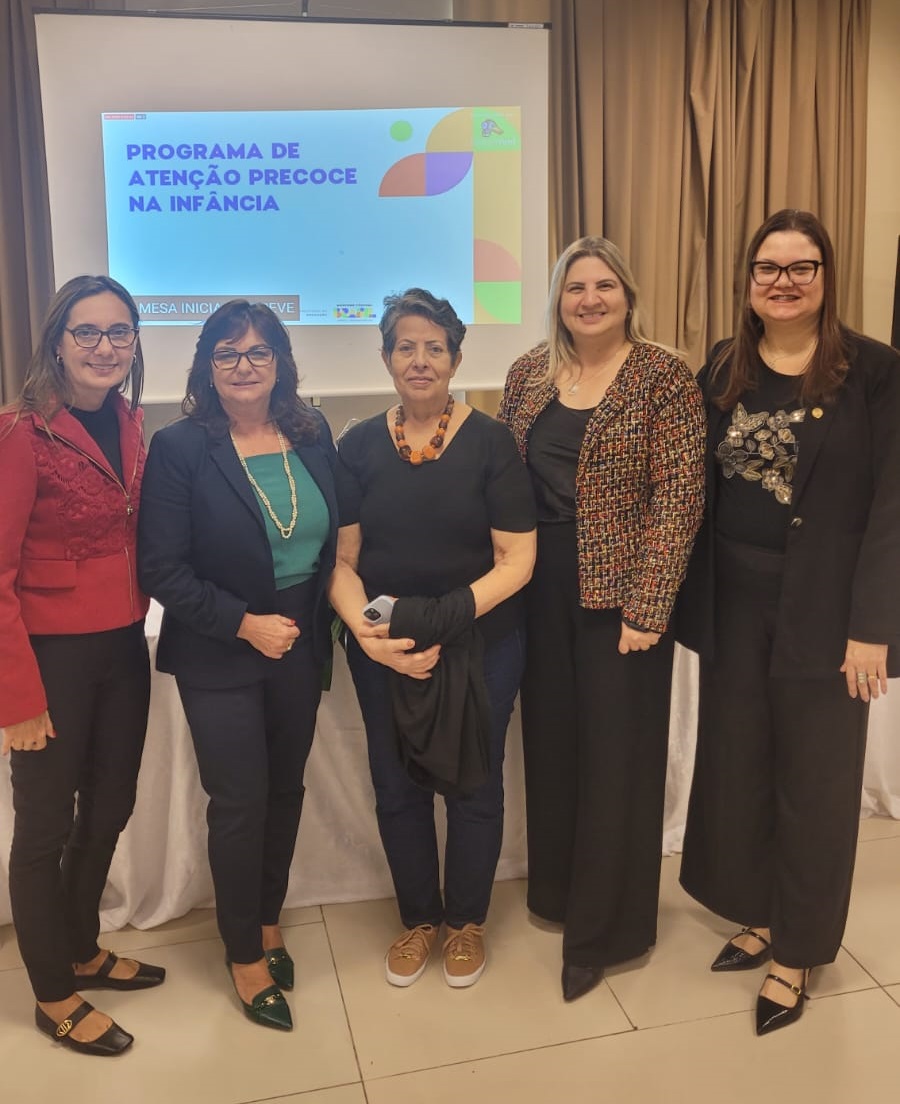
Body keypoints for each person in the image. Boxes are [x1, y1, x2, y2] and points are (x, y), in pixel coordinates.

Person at [676, 209, 900, 1035]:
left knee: (816, 783)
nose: (784, 282)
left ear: (825, 277)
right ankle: (761, 912)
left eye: (802, 267)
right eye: (768, 267)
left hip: (828, 611)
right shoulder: (723, 365)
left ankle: (797, 951)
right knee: (740, 766)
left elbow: (893, 508)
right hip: (734, 604)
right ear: (749, 280)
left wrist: (872, 626)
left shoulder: (875, 372)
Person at [498, 237, 705, 1002]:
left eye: (604, 285)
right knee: (553, 747)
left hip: (623, 599)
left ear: (628, 295)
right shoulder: (527, 373)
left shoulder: (663, 376)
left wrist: (649, 606)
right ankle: (557, 893)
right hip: (536, 586)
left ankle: (604, 933)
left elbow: (680, 496)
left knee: (618, 759)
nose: (589, 299)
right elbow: (501, 479)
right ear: (557, 298)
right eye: (575, 286)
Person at [138, 300, 337, 1031]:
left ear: (280, 362)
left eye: (258, 351)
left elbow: (335, 541)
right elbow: (161, 567)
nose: (244, 366)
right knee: (240, 802)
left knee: (285, 790)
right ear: (207, 367)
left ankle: (268, 918)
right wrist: (245, 624)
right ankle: (243, 953)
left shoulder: (312, 434)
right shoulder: (180, 447)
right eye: (227, 353)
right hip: (220, 647)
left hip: (300, 643)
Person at [328, 288, 536, 989]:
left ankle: (467, 920)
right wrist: (369, 635)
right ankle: (419, 918)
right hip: (383, 645)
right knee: (396, 784)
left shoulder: (492, 443)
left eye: (435, 348)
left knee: (474, 783)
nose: (420, 360)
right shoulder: (357, 445)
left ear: (455, 359)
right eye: (405, 347)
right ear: (386, 357)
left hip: (483, 641)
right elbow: (343, 562)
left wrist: (445, 617)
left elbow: (517, 559)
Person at [0, 275, 162, 1057]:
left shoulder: (129, 420)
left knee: (110, 806)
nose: (105, 346)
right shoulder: (20, 433)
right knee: (44, 826)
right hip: (49, 658)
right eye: (87, 332)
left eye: (119, 332)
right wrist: (17, 700)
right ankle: (53, 993)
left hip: (124, 644)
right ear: (57, 343)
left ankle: (81, 947)